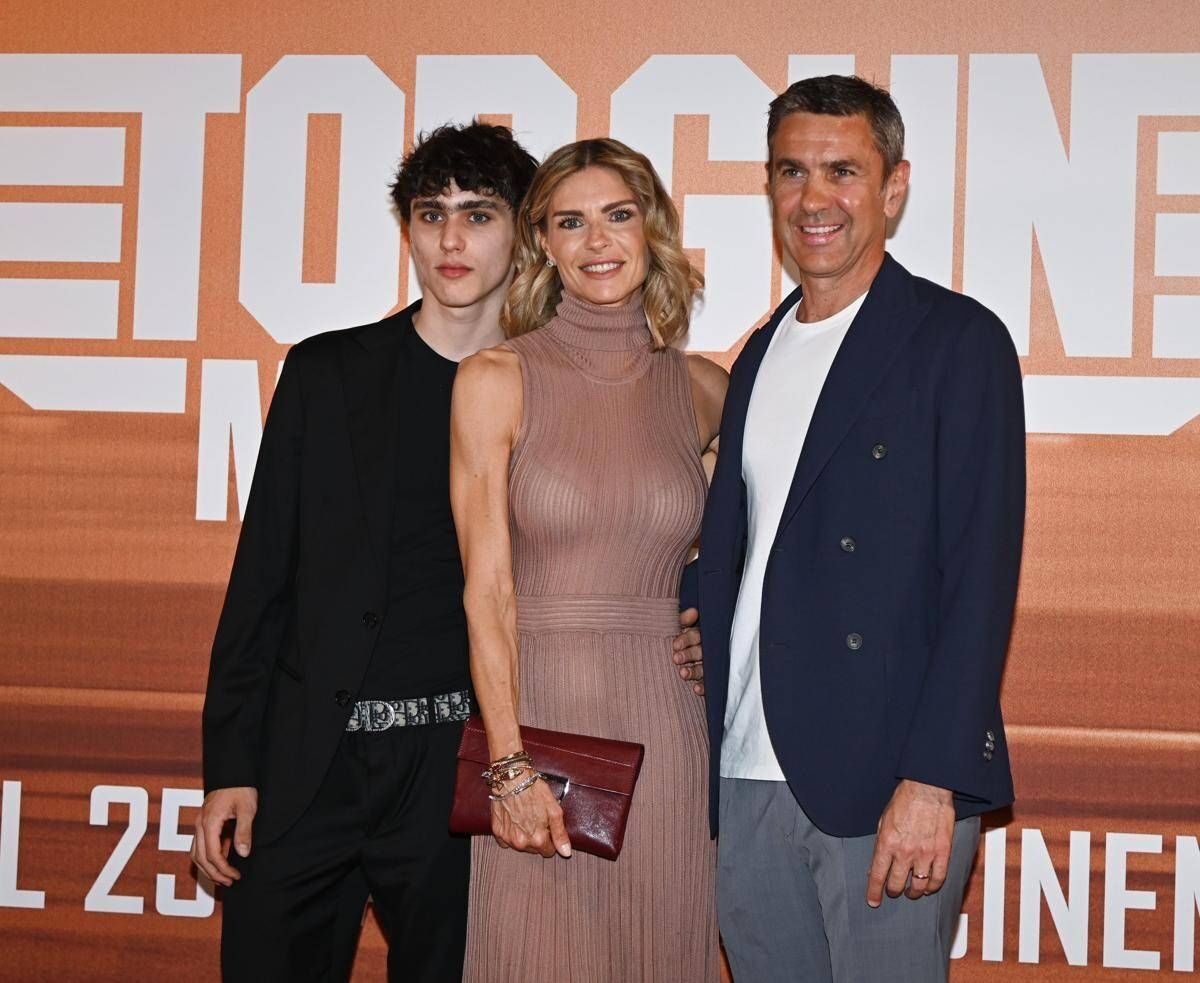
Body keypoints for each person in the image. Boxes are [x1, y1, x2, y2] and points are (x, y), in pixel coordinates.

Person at [191, 121, 707, 982]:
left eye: (478, 214)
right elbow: (262, 581)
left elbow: (678, 517)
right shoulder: (325, 373)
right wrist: (232, 767)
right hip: (308, 764)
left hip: (451, 769)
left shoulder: (563, 381)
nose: (452, 239)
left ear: (521, 235)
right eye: (431, 215)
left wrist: (699, 622)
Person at [697, 75, 1026, 983]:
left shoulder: (956, 340)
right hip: (746, 765)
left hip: (887, 778)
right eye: (791, 171)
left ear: (894, 186)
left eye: (842, 170)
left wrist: (933, 778)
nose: (814, 198)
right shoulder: (760, 351)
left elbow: (980, 577)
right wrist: (697, 614)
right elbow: (754, 543)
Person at [451, 137, 728, 983]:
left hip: (667, 735)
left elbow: (760, 553)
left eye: (618, 215)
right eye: (571, 222)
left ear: (652, 229)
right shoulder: (495, 378)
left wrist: (716, 632)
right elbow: (487, 591)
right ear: (543, 242)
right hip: (539, 732)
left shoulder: (703, 390)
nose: (597, 241)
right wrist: (508, 766)